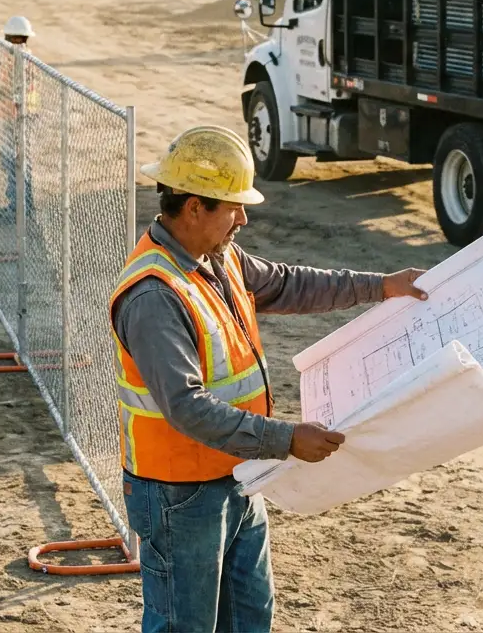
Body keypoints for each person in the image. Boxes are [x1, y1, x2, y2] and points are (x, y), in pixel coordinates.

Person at [110, 125, 429, 633]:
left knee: (251, 618)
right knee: (185, 626)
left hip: (237, 475)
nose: (244, 218)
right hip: (179, 495)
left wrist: (381, 288)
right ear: (193, 207)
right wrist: (285, 439)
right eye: (233, 206)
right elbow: (187, 407)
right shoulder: (154, 295)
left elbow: (288, 283)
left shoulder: (217, 258)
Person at [0, 15, 37, 224]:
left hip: (13, 117)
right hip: (24, 115)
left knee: (13, 163)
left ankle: (17, 208)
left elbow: (4, 89)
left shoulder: (13, 59)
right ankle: (23, 206)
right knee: (21, 163)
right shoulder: (27, 57)